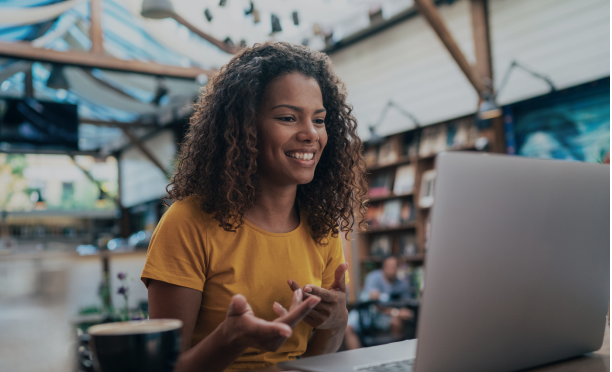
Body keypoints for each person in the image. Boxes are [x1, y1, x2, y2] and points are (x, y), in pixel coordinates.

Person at [140, 42, 368, 372]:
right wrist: (229, 339)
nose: (310, 134)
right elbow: (163, 369)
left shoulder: (322, 227)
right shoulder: (188, 223)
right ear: (245, 126)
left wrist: (335, 321)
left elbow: (316, 363)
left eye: (319, 120)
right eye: (288, 117)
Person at [344, 256, 414, 350]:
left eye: (394, 266)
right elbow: (376, 305)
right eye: (389, 266)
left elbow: (407, 305)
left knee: (397, 323)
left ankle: (395, 356)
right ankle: (357, 360)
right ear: (383, 267)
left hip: (384, 316)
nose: (392, 269)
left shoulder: (402, 284)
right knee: (347, 327)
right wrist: (396, 312)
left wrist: (400, 313)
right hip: (367, 313)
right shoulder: (374, 278)